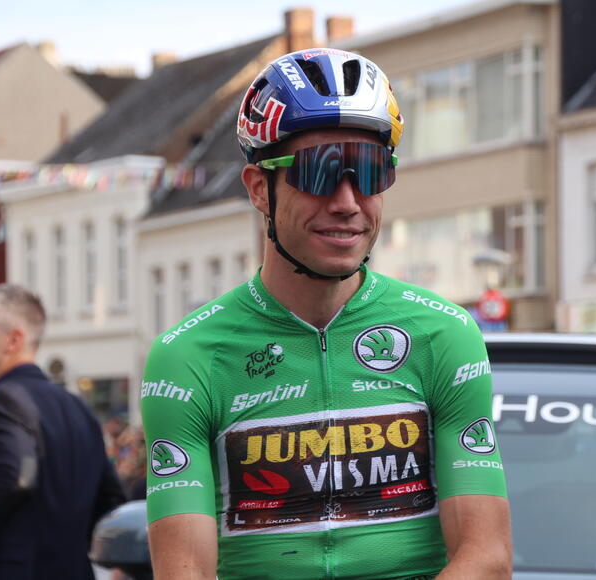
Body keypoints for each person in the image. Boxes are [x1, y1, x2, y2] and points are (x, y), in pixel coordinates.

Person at [141, 48, 511, 579]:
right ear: (259, 189)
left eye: (370, 172)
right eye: (319, 172)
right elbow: (185, 573)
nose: (347, 201)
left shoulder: (444, 334)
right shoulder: (187, 357)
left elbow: (487, 559)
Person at [0, 284, 126, 579]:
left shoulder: (3, 401)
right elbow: (110, 501)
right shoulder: (77, 407)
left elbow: (14, 478)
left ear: (13, 340)